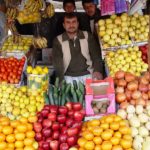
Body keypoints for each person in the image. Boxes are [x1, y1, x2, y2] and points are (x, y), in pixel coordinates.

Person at [52, 13, 103, 84]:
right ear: (64, 25)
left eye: (74, 22)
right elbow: (58, 63)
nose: (71, 25)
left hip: (88, 75)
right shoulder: (58, 40)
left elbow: (96, 56)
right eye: (68, 22)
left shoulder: (87, 36)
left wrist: (97, 71)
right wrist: (60, 80)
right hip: (68, 77)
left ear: (78, 23)